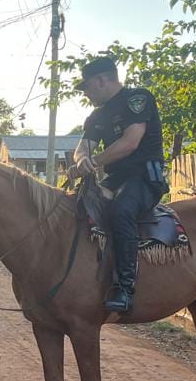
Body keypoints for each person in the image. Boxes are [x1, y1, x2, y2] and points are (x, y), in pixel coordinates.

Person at [70, 56, 167, 313]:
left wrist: (95, 161)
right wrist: (81, 161)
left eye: (88, 86)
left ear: (102, 80)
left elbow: (130, 142)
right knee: (79, 205)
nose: (87, 93)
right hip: (115, 179)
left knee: (122, 211)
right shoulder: (96, 117)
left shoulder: (137, 99)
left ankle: (125, 287)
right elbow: (83, 148)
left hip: (144, 177)